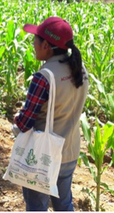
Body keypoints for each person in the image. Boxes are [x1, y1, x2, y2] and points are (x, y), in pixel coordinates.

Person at [14, 17, 89, 211]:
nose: (33, 44)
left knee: (36, 207)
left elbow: (25, 123)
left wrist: (16, 120)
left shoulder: (44, 76)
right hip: (70, 152)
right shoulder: (80, 69)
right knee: (64, 205)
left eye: (36, 39)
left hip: (43, 157)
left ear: (46, 45)